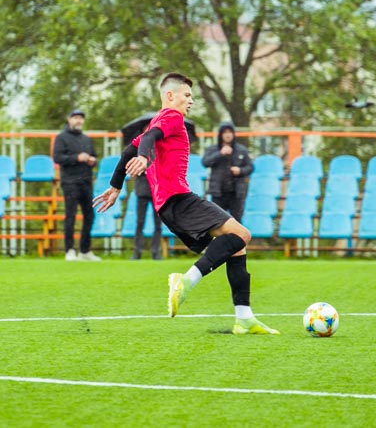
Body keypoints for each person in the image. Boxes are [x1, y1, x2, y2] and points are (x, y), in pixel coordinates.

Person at [93, 72, 278, 335]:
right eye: (187, 95)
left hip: (168, 206)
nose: (191, 101)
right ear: (170, 96)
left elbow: (128, 151)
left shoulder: (158, 120)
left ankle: (244, 317)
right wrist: (145, 159)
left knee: (234, 247)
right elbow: (144, 144)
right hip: (178, 198)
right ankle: (186, 280)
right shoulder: (172, 117)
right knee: (242, 234)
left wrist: (115, 185)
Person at [53, 109, 101, 261]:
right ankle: (69, 251)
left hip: (86, 181)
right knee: (70, 216)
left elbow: (94, 157)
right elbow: (57, 157)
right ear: (69, 119)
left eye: (81, 118)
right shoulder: (61, 138)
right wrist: (77, 157)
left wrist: (92, 161)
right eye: (75, 118)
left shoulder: (86, 139)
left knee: (90, 215)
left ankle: (85, 251)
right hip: (70, 182)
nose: (78, 120)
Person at [202, 121, 253, 222]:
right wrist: (220, 153)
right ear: (220, 135)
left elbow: (250, 167)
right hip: (218, 193)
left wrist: (240, 171)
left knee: (237, 222)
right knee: (218, 222)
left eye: (230, 132)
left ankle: (236, 238)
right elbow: (205, 162)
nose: (228, 135)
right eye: (225, 132)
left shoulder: (241, 150)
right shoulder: (213, 149)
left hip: (236, 193)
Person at [130, 174, 162, 260]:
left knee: (158, 224)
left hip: (157, 190)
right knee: (140, 223)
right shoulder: (138, 160)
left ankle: (156, 252)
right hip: (142, 190)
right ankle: (137, 252)